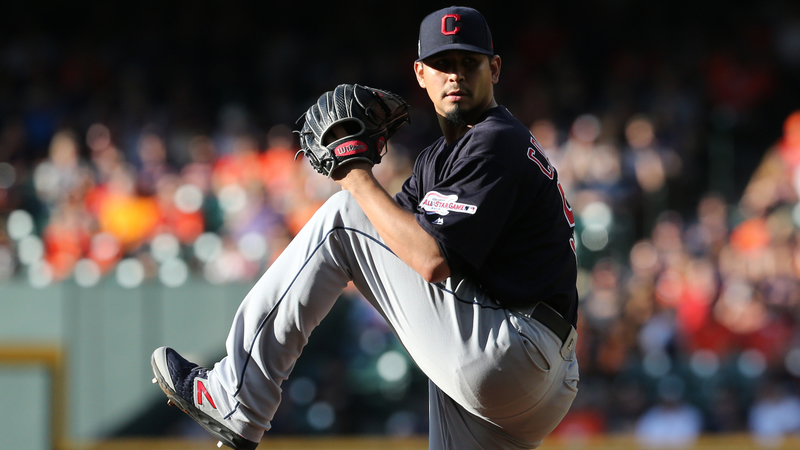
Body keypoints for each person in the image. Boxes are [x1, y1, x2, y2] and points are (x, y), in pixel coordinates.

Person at [151, 6, 579, 449]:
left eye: (468, 63)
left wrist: (354, 173)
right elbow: (392, 241)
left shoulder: (493, 140)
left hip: (513, 349)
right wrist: (361, 170)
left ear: (493, 68)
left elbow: (429, 260)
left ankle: (236, 396)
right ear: (420, 73)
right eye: (442, 64)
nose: (455, 76)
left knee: (342, 218)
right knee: (359, 219)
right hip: (533, 370)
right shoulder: (445, 155)